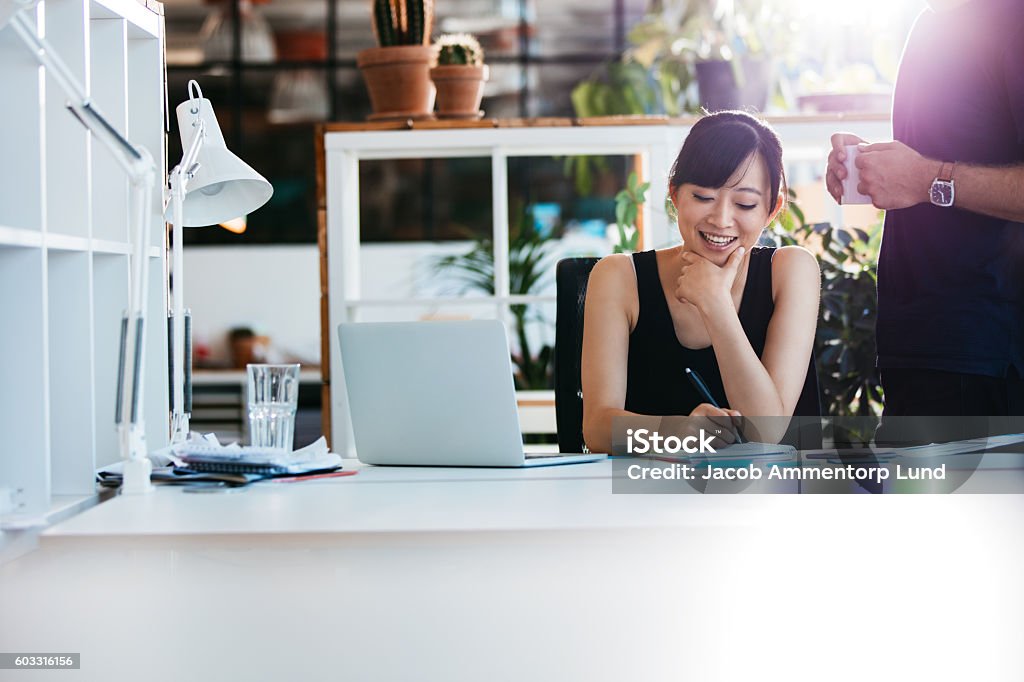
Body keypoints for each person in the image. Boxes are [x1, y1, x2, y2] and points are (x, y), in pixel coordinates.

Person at [825, 0, 1024, 439]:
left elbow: (931, 175)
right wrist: (869, 167)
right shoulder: (931, 21)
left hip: (984, 353)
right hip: (917, 343)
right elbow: (939, 159)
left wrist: (926, 178)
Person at [581, 111, 821, 454]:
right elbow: (598, 429)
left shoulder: (791, 270)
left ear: (772, 209)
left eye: (745, 203)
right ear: (675, 194)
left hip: (775, 499)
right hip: (654, 498)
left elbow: (767, 431)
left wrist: (715, 303)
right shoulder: (619, 277)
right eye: (703, 197)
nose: (721, 219)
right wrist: (678, 431)